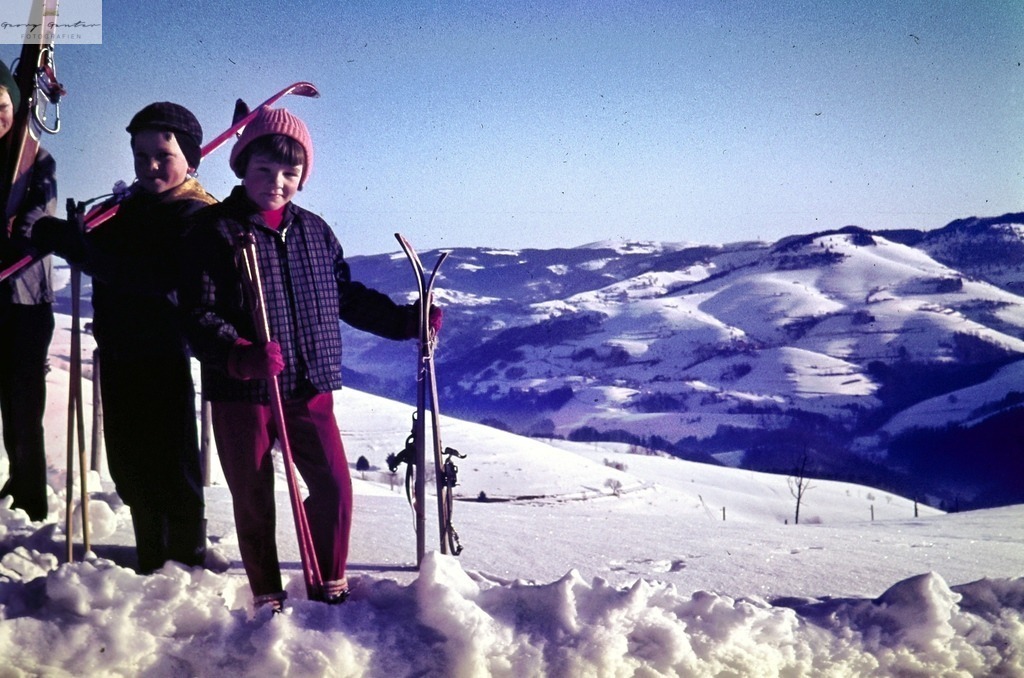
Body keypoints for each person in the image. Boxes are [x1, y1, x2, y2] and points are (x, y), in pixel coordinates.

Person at [179, 106, 440, 610]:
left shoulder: (314, 232)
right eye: (263, 170)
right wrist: (239, 354)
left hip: (309, 385)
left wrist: (406, 323)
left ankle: (328, 586)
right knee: (254, 500)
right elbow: (197, 315)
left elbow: (345, 296)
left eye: (289, 173)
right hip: (243, 391)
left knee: (336, 488)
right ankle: (267, 597)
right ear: (241, 167)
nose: (276, 182)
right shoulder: (214, 231)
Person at [34, 102, 215, 572]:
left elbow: (147, 276)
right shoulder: (133, 206)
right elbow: (105, 252)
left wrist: (78, 248)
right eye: (140, 156)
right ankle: (151, 552)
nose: (150, 166)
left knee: (169, 458)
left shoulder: (193, 216)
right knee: (130, 460)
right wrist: (79, 234)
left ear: (190, 160)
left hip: (162, 350)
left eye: (163, 155)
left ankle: (185, 558)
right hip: (118, 346)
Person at [0, 60, 57, 522]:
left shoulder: (33, 156)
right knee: (5, 400)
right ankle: (15, 477)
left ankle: (31, 494)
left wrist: (19, 236)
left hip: (24, 298)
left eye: (0, 106)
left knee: (24, 402)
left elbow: (40, 211)